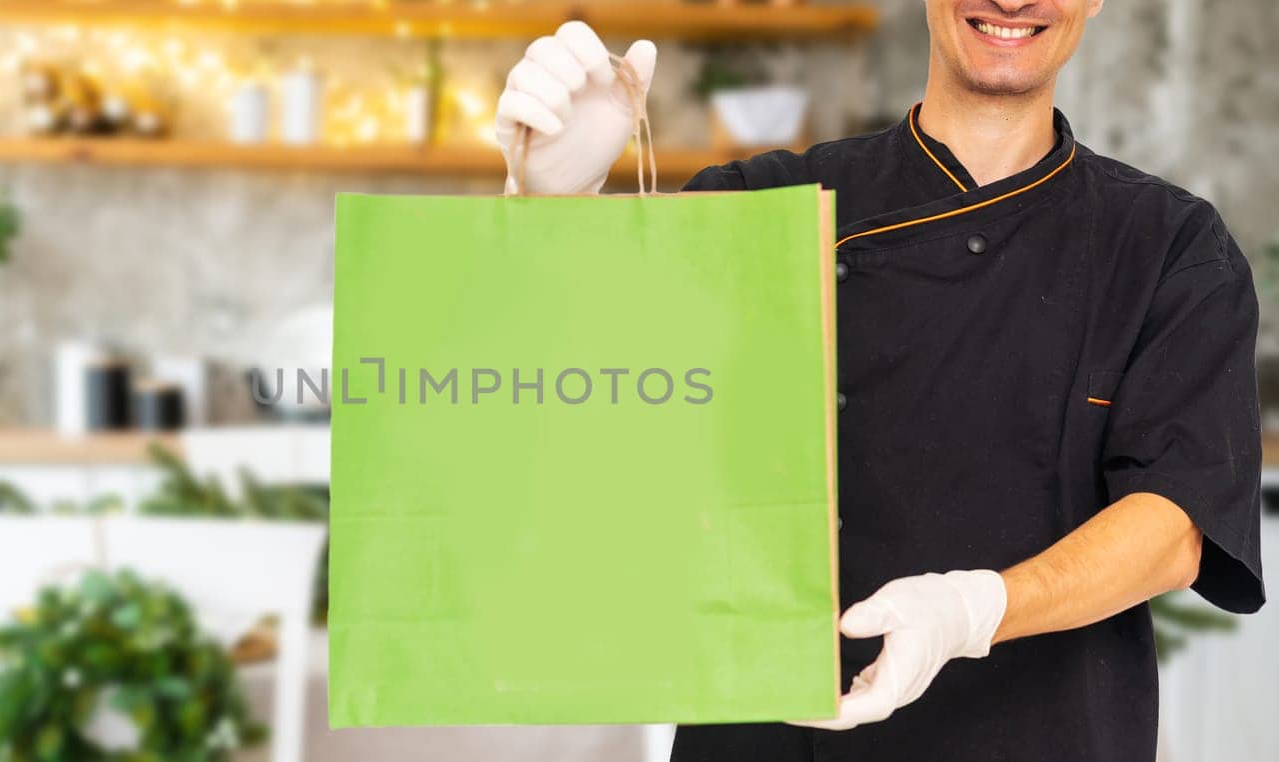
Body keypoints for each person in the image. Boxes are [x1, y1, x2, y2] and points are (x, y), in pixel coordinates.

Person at [493, 2, 1265, 760]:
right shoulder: (769, 202)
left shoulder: (1169, 247)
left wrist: (972, 610)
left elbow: (1174, 527)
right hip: (770, 737)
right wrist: (553, 206)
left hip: (1045, 734)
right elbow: (568, 366)